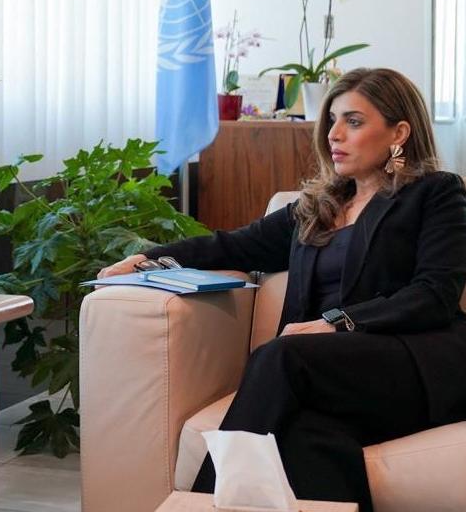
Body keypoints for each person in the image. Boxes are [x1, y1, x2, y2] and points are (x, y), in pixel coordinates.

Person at [99, 68, 466, 512]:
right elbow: (233, 245)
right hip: (328, 375)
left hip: (409, 364)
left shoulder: (435, 194)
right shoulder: (316, 207)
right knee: (309, 438)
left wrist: (337, 323)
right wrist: (149, 258)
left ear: (399, 133)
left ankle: (197, 504)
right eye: (332, 121)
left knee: (279, 355)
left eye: (353, 122)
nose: (334, 134)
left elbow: (434, 293)